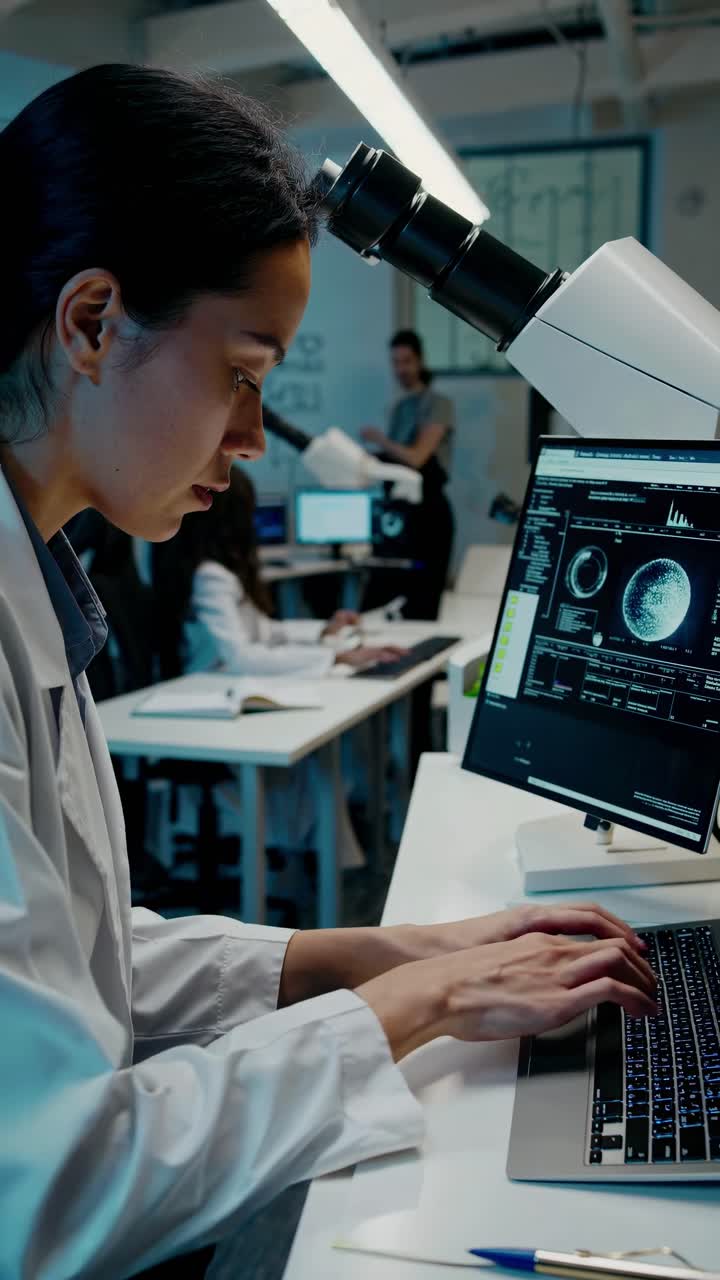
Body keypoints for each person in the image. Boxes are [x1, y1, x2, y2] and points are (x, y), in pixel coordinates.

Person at [0, 64, 656, 1280]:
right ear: (92, 322)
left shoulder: (37, 582)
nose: (252, 440)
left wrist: (377, 952)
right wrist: (427, 1004)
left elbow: (83, 965)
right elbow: (43, 1190)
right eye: (244, 372)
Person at [153, 464, 404, 866]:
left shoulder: (219, 571)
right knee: (319, 764)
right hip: (212, 702)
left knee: (324, 759)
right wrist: (336, 655)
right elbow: (241, 655)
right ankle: (323, 863)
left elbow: (264, 630)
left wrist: (324, 631)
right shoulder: (211, 576)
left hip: (225, 690)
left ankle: (321, 857)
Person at [361, 328, 456, 620]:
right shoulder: (400, 407)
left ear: (420, 361)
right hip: (401, 516)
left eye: (406, 361)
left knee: (423, 603)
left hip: (430, 516)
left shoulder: (438, 404)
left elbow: (416, 457)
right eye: (395, 362)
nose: (400, 369)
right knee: (380, 596)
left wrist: (380, 440)